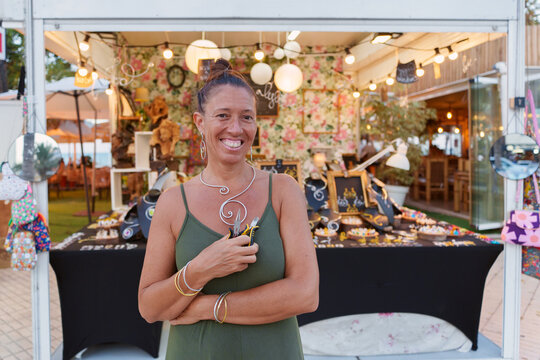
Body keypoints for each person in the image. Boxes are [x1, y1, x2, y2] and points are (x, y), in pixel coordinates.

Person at [138, 59, 319, 359]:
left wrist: (206, 307)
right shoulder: (172, 202)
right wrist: (199, 270)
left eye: (246, 117)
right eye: (223, 115)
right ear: (200, 122)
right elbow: (150, 308)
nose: (236, 129)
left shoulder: (284, 190)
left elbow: (305, 294)